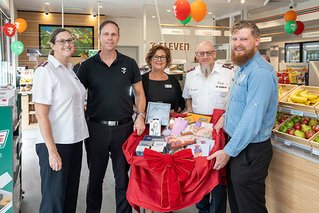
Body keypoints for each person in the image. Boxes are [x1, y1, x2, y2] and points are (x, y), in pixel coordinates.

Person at [76, 20, 146, 213]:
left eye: (113, 34)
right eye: (106, 34)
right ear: (99, 37)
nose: (110, 38)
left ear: (118, 38)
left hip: (124, 128)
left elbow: (139, 93)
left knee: (123, 178)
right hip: (95, 129)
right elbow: (75, 95)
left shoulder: (129, 63)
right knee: (95, 178)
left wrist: (140, 115)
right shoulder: (87, 66)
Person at [211, 20, 278, 213]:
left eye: (243, 38)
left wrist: (228, 151)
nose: (238, 43)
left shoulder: (259, 72)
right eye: (234, 39)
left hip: (250, 151)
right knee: (238, 204)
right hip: (239, 147)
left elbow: (252, 119)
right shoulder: (242, 66)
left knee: (250, 207)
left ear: (257, 40)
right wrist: (225, 115)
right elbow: (238, 102)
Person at [33, 28, 89, 213]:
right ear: (52, 45)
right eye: (61, 41)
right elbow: (41, 114)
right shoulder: (46, 71)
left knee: (70, 194)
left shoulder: (70, 70)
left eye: (70, 41)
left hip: (74, 141)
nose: (67, 44)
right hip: (56, 143)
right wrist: (52, 151)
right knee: (54, 199)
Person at [182, 40, 234, 213]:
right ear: (196, 56)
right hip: (198, 128)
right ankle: (202, 209)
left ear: (214, 54)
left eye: (208, 53)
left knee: (218, 171)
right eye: (201, 54)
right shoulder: (190, 76)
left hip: (221, 128)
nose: (205, 57)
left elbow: (235, 101)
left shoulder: (228, 73)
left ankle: (217, 210)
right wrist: (189, 115)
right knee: (199, 171)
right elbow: (188, 98)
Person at [142, 44, 185, 113]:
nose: (159, 60)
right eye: (155, 57)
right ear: (150, 60)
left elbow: (181, 103)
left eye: (162, 57)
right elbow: (132, 103)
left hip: (169, 121)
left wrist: (171, 113)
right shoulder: (142, 80)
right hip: (147, 122)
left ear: (167, 61)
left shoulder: (173, 81)